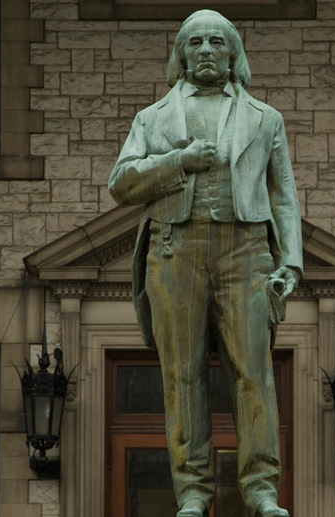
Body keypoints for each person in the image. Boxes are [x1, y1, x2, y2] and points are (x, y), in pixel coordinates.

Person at [108, 9, 302, 517]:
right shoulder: (152, 119)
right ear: (181, 54)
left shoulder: (266, 118)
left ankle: (261, 490)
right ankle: (192, 492)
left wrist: (293, 263)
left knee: (253, 371)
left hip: (246, 251)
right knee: (182, 374)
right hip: (176, 249)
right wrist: (178, 163)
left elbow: (283, 198)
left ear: (234, 53)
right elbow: (121, 183)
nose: (207, 50)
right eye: (195, 42)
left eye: (217, 41)